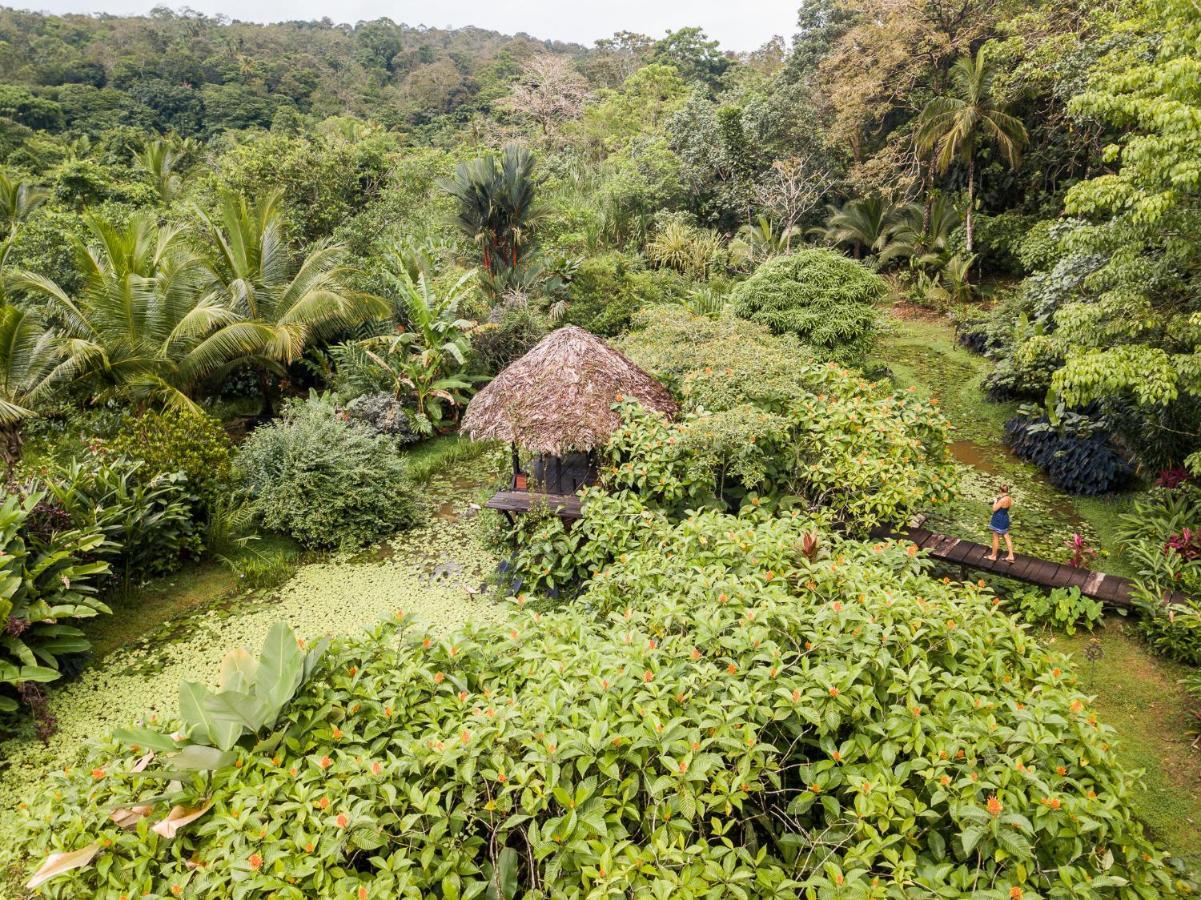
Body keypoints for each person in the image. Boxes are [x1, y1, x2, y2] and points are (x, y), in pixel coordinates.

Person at [987, 484, 1015, 562]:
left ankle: (993, 556)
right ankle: (1011, 555)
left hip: (998, 520)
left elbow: (994, 509)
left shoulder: (1002, 500)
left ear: (1000, 490)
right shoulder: (1009, 498)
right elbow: (1009, 505)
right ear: (1007, 490)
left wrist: (995, 501)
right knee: (1006, 537)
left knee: (995, 538)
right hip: (1005, 518)